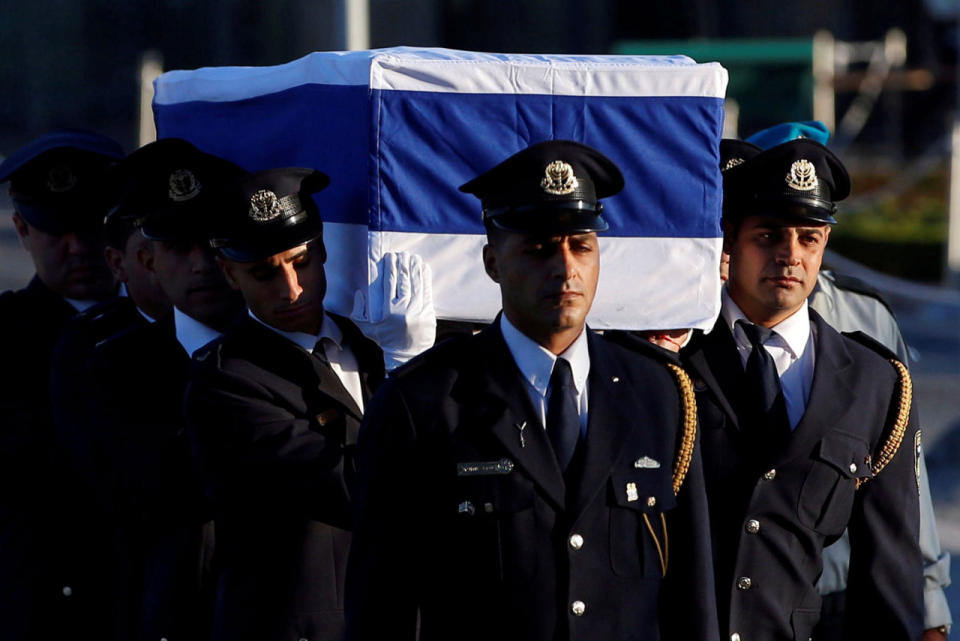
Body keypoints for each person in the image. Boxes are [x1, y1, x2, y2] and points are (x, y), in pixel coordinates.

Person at [345, 140, 718, 641]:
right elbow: (381, 602)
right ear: (493, 263)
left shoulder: (659, 392)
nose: (565, 269)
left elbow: (690, 594)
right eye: (539, 249)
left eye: (581, 246)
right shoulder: (424, 401)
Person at [683, 137, 923, 640]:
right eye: (768, 236)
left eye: (808, 238)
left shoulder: (871, 381)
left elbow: (889, 576)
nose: (790, 256)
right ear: (730, 239)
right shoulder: (671, 362)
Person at [184, 167, 434, 641]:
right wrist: (409, 370)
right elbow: (358, 489)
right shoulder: (226, 380)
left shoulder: (371, 340)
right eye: (263, 273)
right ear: (229, 274)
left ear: (321, 253)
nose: (290, 288)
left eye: (299, 262)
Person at [83, 137, 247, 641]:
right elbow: (171, 491)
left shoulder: (300, 352)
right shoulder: (118, 367)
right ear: (149, 261)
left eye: (215, 244)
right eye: (178, 247)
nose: (201, 263)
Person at [0, 129, 123, 640]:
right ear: (22, 229)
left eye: (91, 229)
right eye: (56, 233)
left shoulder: (171, 334)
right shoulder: (6, 338)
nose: (76, 249)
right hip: (32, 603)